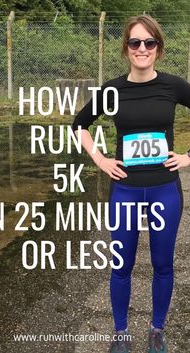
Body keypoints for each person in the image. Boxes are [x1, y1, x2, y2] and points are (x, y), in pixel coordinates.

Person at [72, 14, 190, 353]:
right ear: (126, 48)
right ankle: (121, 333)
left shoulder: (172, 86)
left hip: (164, 189)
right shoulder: (112, 89)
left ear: (158, 49)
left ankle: (157, 330)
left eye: (149, 43)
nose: (142, 49)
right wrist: (100, 159)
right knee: (121, 265)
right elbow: (80, 124)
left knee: (163, 264)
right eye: (135, 42)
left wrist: (187, 157)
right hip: (124, 188)